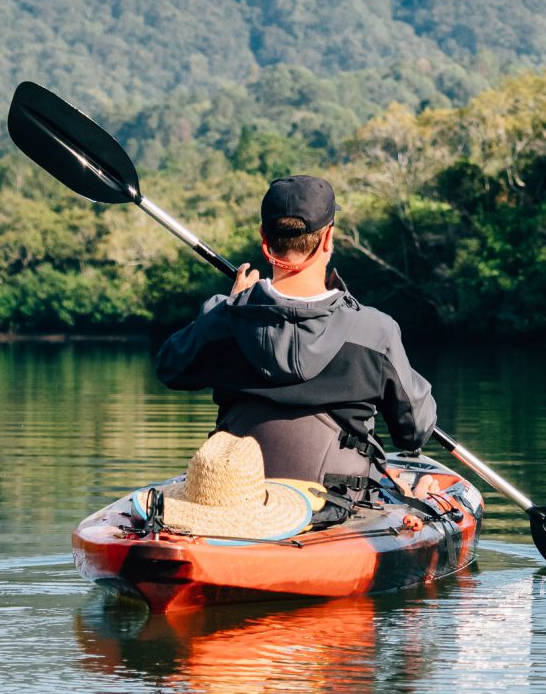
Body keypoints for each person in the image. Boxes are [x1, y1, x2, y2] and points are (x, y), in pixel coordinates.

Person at [153, 175, 437, 502]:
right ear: (328, 238)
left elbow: (170, 368)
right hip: (339, 505)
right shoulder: (376, 331)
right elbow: (414, 431)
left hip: (235, 501)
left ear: (264, 237)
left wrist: (228, 308)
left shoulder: (223, 320)